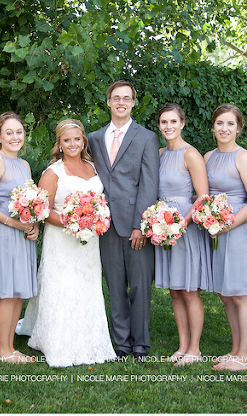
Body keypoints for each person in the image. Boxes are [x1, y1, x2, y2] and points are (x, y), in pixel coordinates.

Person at [18, 119, 117, 367]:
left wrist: (94, 218)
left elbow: (101, 202)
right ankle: (56, 340)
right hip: (61, 240)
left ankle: (90, 337)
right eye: (67, 140)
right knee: (62, 285)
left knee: (87, 284)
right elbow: (43, 210)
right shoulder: (53, 172)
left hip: (89, 241)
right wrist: (73, 222)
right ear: (59, 144)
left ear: (83, 141)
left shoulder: (95, 168)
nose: (72, 144)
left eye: (77, 139)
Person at [87, 81, 160, 362]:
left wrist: (140, 225)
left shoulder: (146, 137)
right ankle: (121, 343)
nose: (121, 102)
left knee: (140, 286)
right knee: (115, 285)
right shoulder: (94, 138)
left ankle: (140, 344)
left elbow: (149, 183)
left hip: (134, 223)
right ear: (108, 101)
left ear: (133, 103)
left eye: (126, 98)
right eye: (116, 98)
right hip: (104, 223)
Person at [204, 104, 247, 372]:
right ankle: (235, 351)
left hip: (238, 232)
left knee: (240, 294)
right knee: (225, 294)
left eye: (230, 124)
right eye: (220, 123)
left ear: (238, 128)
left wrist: (229, 224)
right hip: (216, 230)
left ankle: (245, 357)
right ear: (213, 127)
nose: (224, 129)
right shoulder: (208, 156)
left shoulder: (244, 158)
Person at [154, 103, 212, 366]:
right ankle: (182, 345)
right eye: (164, 122)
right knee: (175, 290)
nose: (168, 126)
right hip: (162, 225)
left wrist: (182, 223)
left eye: (173, 122)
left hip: (184, 227)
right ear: (159, 125)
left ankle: (195, 349)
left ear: (182, 123)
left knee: (189, 290)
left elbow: (202, 197)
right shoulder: (158, 154)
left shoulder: (191, 154)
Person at [0, 112, 40, 363]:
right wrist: (14, 223)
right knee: (8, 291)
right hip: (4, 233)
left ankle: (11, 348)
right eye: (9, 133)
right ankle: (3, 350)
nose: (15, 137)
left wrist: (34, 223)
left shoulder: (24, 164)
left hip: (23, 234)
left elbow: (32, 201)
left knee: (19, 291)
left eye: (19, 132)